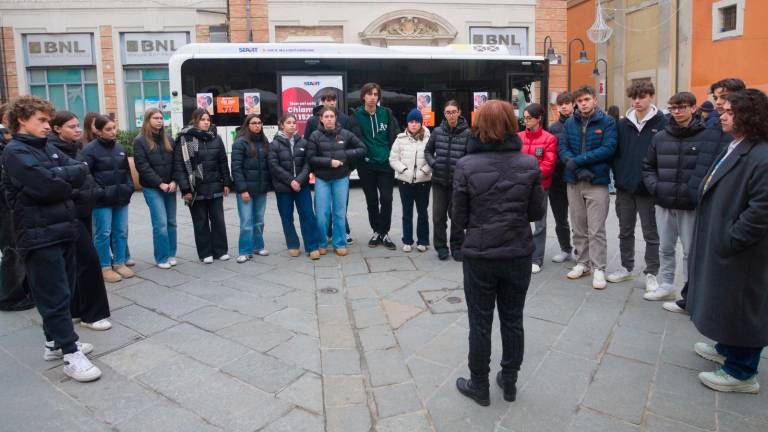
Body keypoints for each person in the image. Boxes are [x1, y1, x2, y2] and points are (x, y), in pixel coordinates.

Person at [453, 100, 545, 406]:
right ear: (511, 124)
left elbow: (459, 216)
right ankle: (509, 381)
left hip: (480, 254)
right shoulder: (529, 163)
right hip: (518, 252)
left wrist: (458, 246)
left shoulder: (466, 165)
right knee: (513, 319)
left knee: (479, 322)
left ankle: (479, 385)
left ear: (479, 126)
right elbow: (536, 211)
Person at [2, 96, 100, 382]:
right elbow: (47, 187)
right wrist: (63, 177)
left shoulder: (45, 147)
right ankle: (70, 354)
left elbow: (81, 169)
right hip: (38, 234)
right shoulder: (15, 152)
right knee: (54, 295)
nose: (48, 126)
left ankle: (54, 343)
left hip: (63, 228)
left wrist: (62, 176)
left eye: (48, 120)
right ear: (22, 119)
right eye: (42, 120)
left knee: (65, 290)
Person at [687, 89, 768, 394]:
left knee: (744, 306)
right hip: (725, 241)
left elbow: (761, 210)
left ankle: (742, 371)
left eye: (731, 112)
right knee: (727, 301)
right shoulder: (738, 144)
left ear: (750, 116)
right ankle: (727, 347)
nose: (722, 114)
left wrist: (732, 238)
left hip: (744, 250)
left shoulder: (761, 154)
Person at [642, 92, 725, 305]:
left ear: (693, 108)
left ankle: (690, 291)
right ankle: (667, 284)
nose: (677, 112)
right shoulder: (660, 136)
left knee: (690, 251)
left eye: (682, 107)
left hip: (690, 204)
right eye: (673, 108)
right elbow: (648, 166)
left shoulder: (707, 136)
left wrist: (697, 192)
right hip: (664, 201)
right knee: (665, 247)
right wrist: (656, 188)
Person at [48, 111, 112, 331]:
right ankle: (93, 314)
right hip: (68, 213)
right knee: (88, 261)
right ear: (57, 128)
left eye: (77, 126)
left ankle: (77, 309)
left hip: (83, 210)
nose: (77, 130)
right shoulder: (51, 150)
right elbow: (61, 182)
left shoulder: (75, 147)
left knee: (76, 262)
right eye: (71, 126)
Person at [558, 85, 617, 290]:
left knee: (596, 228)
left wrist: (579, 161)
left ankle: (598, 267)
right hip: (574, 180)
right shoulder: (569, 123)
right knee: (578, 225)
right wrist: (574, 166)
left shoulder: (607, 122)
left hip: (597, 181)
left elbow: (608, 148)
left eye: (586, 99)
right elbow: (562, 147)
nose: (583, 104)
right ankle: (582, 262)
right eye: (580, 101)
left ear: (594, 99)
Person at [607, 81, 664, 291]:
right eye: (634, 97)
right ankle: (626, 267)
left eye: (642, 97)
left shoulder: (662, 122)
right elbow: (616, 153)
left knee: (651, 233)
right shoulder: (622, 124)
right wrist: (619, 176)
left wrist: (656, 183)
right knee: (625, 230)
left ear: (651, 97)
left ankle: (652, 273)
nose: (637, 101)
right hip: (624, 187)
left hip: (648, 190)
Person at [174, 108, 233, 263]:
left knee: (218, 220)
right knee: (200, 222)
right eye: (203, 119)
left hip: (215, 186)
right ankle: (205, 252)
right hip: (195, 188)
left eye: (208, 119)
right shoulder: (185, 139)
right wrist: (185, 188)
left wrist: (227, 182)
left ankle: (220, 250)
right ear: (195, 120)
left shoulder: (216, 138)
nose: (206, 122)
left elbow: (222, 162)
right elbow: (179, 166)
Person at [80, 115, 134, 284]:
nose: (113, 132)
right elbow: (86, 176)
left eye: (114, 128)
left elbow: (126, 172)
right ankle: (104, 266)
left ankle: (119, 262)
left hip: (121, 197)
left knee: (121, 231)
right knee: (103, 233)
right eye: (108, 129)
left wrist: (129, 188)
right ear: (98, 131)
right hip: (102, 200)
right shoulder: (89, 150)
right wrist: (99, 192)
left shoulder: (120, 147)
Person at [308, 106, 367, 256]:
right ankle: (322, 243)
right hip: (322, 179)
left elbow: (362, 148)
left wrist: (345, 155)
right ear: (321, 119)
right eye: (326, 116)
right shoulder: (315, 135)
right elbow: (311, 158)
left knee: (339, 213)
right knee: (322, 214)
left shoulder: (346, 134)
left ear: (336, 118)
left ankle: (339, 243)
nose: (329, 119)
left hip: (341, 178)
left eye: (331, 116)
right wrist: (329, 162)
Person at [349, 83, 399, 250]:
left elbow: (395, 135)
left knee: (387, 199)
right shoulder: (356, 116)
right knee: (372, 200)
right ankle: (376, 231)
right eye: (369, 94)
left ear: (379, 97)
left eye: (375, 94)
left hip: (386, 163)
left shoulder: (386, 113)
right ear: (363, 96)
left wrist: (393, 155)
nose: (372, 97)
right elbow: (351, 139)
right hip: (366, 165)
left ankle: (385, 232)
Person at [304, 91, 355, 245]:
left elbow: (353, 144)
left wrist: (350, 167)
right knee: (322, 209)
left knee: (340, 207)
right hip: (322, 172)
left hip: (341, 172)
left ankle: (341, 235)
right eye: (327, 99)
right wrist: (313, 169)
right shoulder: (312, 121)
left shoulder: (345, 119)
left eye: (333, 99)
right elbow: (308, 147)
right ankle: (323, 236)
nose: (330, 102)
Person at [269, 113, 322, 260]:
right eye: (289, 122)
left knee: (308, 215)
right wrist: (290, 181)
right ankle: (293, 244)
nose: (292, 125)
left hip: (302, 186)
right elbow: (274, 166)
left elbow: (308, 164)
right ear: (281, 125)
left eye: (294, 122)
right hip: (283, 187)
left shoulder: (303, 142)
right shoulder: (274, 144)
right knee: (287, 217)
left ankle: (312, 246)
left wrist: (298, 180)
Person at [424, 100, 472, 261]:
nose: (451, 115)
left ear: (459, 112)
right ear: (444, 114)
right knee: (438, 216)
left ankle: (457, 246)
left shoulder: (468, 133)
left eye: (453, 112)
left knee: (457, 216)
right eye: (448, 112)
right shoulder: (437, 132)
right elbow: (428, 151)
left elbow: (471, 157)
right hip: (439, 181)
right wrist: (433, 163)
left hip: (458, 183)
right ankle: (441, 246)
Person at [133, 107, 178, 269]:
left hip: (170, 187)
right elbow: (142, 166)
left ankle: (171, 253)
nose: (160, 120)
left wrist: (174, 181)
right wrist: (160, 183)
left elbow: (176, 163)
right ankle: (161, 257)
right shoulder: (140, 141)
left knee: (171, 222)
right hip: (153, 188)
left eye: (161, 118)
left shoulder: (169, 139)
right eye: (156, 118)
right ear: (147, 120)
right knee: (160, 223)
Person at [0, 103, 33, 311]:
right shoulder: (5, 140)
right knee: (12, 247)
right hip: (5, 203)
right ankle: (10, 296)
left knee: (15, 246)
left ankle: (19, 290)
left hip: (8, 201)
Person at [518, 103, 557, 274]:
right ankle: (521, 254)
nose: (526, 121)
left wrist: (527, 176)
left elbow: (548, 165)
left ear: (538, 118)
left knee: (540, 224)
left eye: (529, 118)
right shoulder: (518, 137)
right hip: (520, 186)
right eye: (524, 118)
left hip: (540, 186)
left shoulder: (549, 139)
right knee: (520, 220)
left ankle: (537, 258)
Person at [389, 109, 432, 253]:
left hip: (423, 180)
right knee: (406, 212)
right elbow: (393, 159)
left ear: (421, 123)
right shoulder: (400, 139)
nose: (413, 125)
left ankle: (423, 240)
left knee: (422, 212)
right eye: (411, 122)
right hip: (405, 181)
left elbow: (434, 157)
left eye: (416, 122)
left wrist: (424, 171)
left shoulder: (428, 138)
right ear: (407, 123)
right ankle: (407, 240)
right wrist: (404, 170)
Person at [231, 114, 271, 263]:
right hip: (246, 189)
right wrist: (242, 190)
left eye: (259, 123)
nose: (257, 125)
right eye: (254, 123)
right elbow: (236, 168)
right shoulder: (240, 143)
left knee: (259, 220)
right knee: (247, 222)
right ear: (247, 125)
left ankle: (258, 246)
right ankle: (244, 251)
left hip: (261, 189)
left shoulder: (264, 142)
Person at [546, 92, 575, 263]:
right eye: (560, 104)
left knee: (579, 218)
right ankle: (565, 248)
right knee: (560, 218)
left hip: (576, 179)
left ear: (573, 105)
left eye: (567, 103)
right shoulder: (553, 128)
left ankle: (581, 249)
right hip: (557, 180)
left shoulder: (580, 123)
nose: (564, 106)